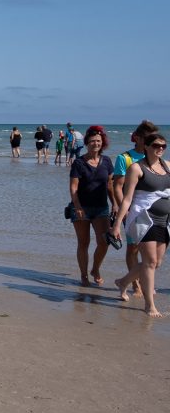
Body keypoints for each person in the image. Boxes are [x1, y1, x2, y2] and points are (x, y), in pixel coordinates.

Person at [112, 133, 170, 317]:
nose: (160, 149)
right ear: (146, 146)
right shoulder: (136, 168)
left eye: (163, 146)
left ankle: (122, 282)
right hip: (144, 218)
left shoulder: (168, 166)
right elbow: (127, 199)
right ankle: (149, 305)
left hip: (164, 220)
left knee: (156, 262)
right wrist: (116, 225)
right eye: (156, 145)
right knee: (150, 262)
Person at [113, 120, 159, 298]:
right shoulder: (124, 158)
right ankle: (135, 284)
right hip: (134, 212)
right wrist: (122, 211)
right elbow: (117, 186)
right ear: (138, 138)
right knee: (133, 248)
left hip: (156, 213)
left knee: (154, 253)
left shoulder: (157, 158)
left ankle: (138, 280)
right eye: (149, 138)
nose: (153, 142)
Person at [68, 126, 114, 287]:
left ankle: (95, 269)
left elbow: (110, 185)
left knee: (104, 242)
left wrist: (115, 204)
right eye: (93, 141)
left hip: (101, 208)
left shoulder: (107, 161)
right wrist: (78, 206)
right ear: (87, 143)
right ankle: (84, 275)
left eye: (99, 141)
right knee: (83, 242)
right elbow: (73, 187)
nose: (96, 143)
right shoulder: (79, 163)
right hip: (81, 208)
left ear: (103, 143)